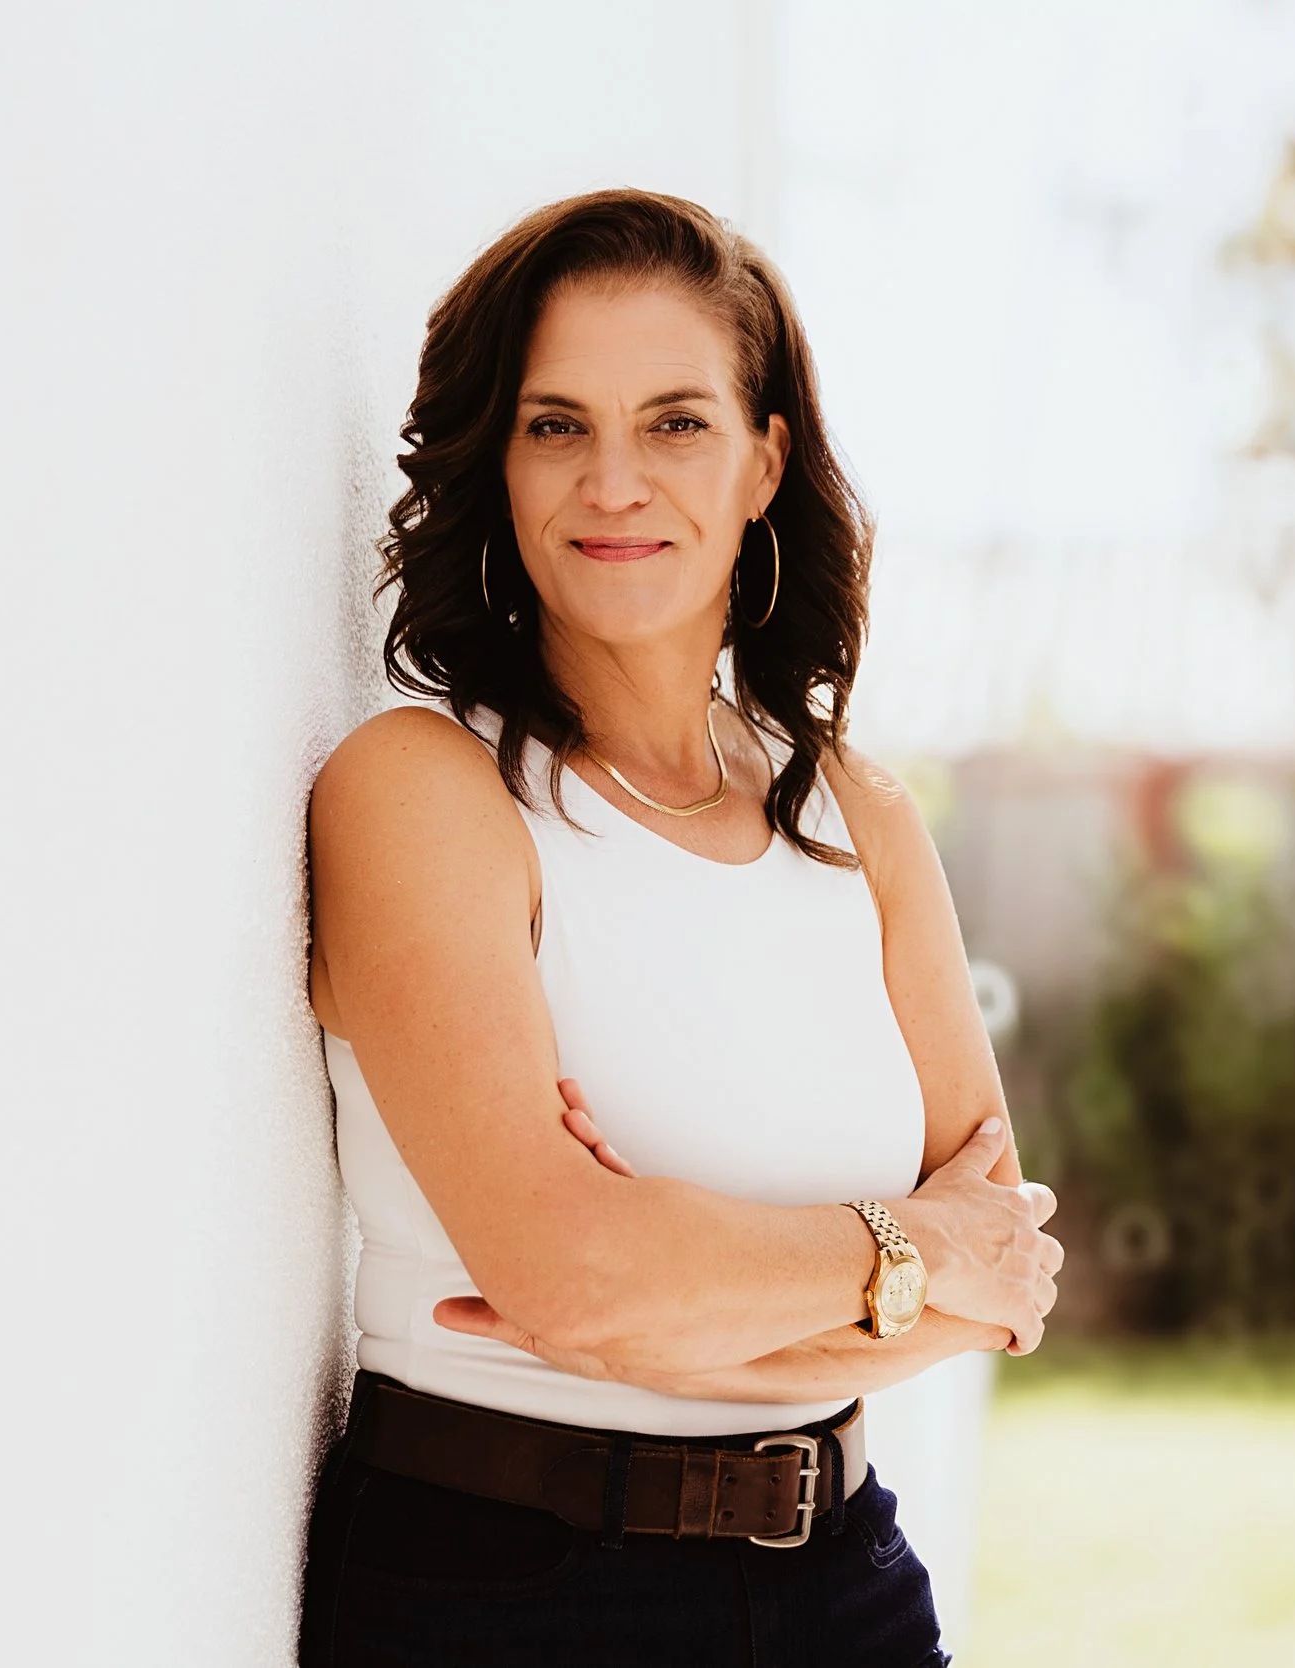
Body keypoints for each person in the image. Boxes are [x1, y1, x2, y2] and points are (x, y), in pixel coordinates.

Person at [298, 187, 1065, 1668]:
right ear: (494, 462)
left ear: (766, 456)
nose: (612, 482)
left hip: (845, 1580)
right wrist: (904, 1252)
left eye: (676, 422)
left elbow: (1010, 1277)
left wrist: (669, 1302)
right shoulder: (424, 790)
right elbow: (578, 1279)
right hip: (514, 1594)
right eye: (554, 423)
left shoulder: (859, 817)